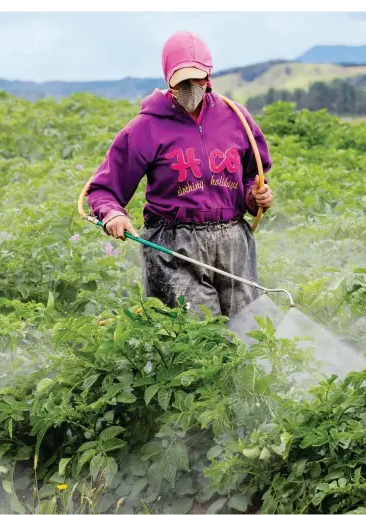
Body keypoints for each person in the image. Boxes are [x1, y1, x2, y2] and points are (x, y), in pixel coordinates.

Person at [86, 31, 274, 319]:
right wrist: (113, 214)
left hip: (233, 242)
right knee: (197, 336)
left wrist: (255, 195)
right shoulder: (145, 128)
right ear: (167, 78)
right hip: (174, 246)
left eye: (196, 79)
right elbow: (104, 189)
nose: (190, 87)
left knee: (247, 330)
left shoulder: (236, 118)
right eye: (181, 81)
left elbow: (252, 176)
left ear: (208, 75)